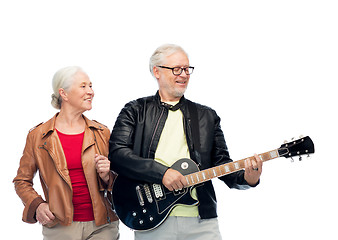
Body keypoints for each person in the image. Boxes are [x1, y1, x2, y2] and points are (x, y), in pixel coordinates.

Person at [109, 44, 263, 240]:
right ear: (157, 71)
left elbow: (222, 164)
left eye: (187, 69)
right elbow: (117, 154)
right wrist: (162, 173)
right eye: (176, 69)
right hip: (151, 218)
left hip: (202, 221)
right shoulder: (135, 110)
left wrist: (248, 179)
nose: (184, 75)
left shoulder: (207, 116)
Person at [13, 66, 119, 240]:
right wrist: (37, 205)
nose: (91, 91)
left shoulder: (102, 132)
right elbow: (21, 181)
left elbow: (124, 180)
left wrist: (108, 176)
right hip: (59, 227)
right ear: (64, 94)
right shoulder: (38, 136)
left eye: (91, 86)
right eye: (83, 86)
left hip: (103, 226)